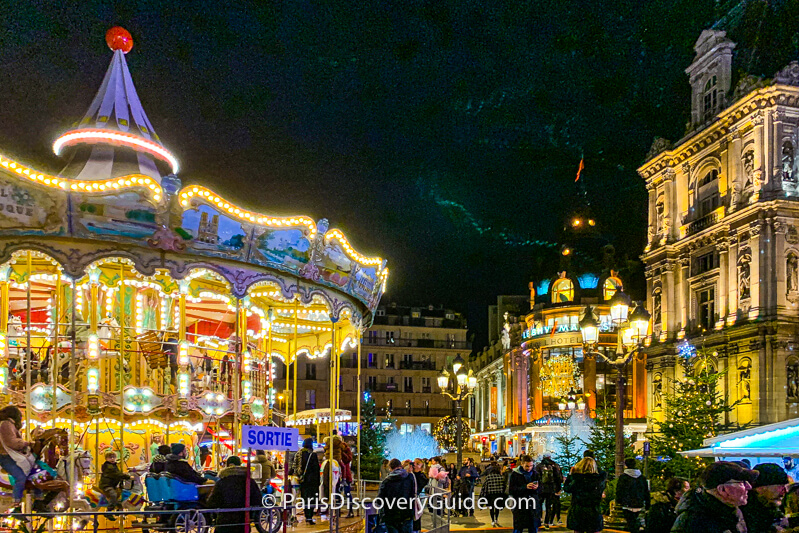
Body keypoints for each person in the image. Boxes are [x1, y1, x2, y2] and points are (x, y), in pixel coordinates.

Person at [671, 461, 759, 533]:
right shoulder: (693, 523)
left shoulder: (731, 510)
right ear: (723, 490)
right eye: (742, 483)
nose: (749, 487)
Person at [207, 455, 262, 533]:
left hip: (224, 525)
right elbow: (257, 500)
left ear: (228, 466)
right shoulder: (249, 481)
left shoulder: (222, 482)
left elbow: (211, 503)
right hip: (242, 524)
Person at [740, 463, 790, 533]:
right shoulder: (742, 516)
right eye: (780, 486)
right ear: (760, 488)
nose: (785, 490)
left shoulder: (776, 510)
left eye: (785, 486)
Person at [0, 405, 32, 508]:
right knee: (21, 476)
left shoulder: (9, 424)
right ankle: (16, 503)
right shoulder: (6, 424)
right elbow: (11, 442)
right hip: (5, 456)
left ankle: (38, 497)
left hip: (8, 455)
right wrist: (25, 443)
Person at [563, 457, 606, 533]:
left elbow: (567, 489)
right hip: (593, 510)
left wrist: (570, 476)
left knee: (579, 530)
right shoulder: (598, 480)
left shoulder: (577, 479)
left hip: (579, 509)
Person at [377, 458, 416, 533]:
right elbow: (413, 493)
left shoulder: (386, 481)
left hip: (391, 516)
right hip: (407, 515)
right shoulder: (410, 477)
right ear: (400, 466)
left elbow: (379, 501)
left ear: (390, 468)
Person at [615, 457, 650, 533]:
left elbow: (619, 490)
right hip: (639, 504)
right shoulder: (642, 477)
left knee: (630, 523)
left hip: (627, 504)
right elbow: (646, 491)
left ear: (626, 465)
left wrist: (619, 501)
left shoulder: (623, 477)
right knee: (637, 523)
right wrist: (647, 504)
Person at [508, 454, 539, 533]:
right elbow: (511, 490)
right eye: (527, 466)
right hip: (520, 504)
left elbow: (541, 489)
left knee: (533, 527)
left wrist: (537, 487)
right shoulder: (515, 474)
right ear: (522, 464)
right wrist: (525, 487)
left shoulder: (535, 474)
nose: (529, 468)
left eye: (531, 466)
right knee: (518, 527)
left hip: (532, 504)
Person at [292, 438, 320, 525]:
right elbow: (316, 469)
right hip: (312, 481)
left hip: (302, 480)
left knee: (305, 498)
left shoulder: (298, 453)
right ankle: (309, 517)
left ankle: (306, 515)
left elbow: (294, 467)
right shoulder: (312, 455)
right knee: (311, 499)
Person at [535, 452, 563, 529]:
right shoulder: (555, 465)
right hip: (551, 489)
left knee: (539, 504)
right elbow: (559, 478)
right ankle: (547, 522)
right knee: (548, 506)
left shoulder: (539, 466)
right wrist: (558, 489)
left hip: (540, 488)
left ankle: (539, 519)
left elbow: (535, 477)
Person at [481, 460, 506, 528]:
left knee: (491, 508)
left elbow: (485, 486)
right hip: (498, 494)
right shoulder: (501, 477)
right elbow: (504, 486)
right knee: (497, 507)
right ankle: (496, 519)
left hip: (490, 494)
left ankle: (492, 520)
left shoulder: (488, 477)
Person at [411, 459, 428, 533]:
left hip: (414, 500)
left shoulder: (421, 477)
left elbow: (417, 488)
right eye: (414, 462)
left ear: (421, 468)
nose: (414, 465)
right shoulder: (408, 474)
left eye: (417, 464)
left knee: (415, 518)